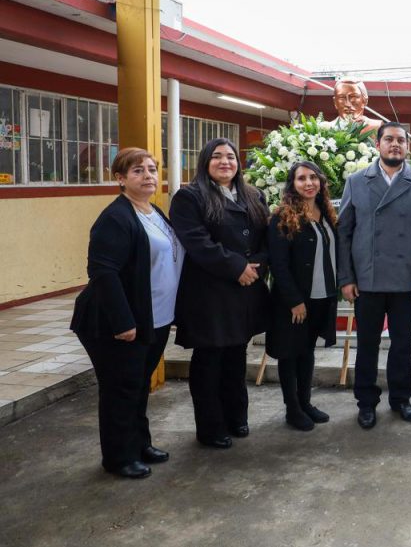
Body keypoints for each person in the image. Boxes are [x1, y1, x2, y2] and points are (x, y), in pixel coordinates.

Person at [71, 148, 183, 478]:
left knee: (137, 385)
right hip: (117, 323)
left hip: (154, 317)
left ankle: (139, 443)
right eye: (138, 171)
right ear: (120, 179)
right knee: (120, 389)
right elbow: (102, 271)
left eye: (152, 169)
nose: (148, 176)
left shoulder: (152, 211)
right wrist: (123, 322)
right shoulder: (116, 217)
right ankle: (118, 457)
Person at [337, 121, 411, 429]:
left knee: (402, 345)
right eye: (389, 139)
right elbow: (344, 233)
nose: (395, 144)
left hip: (406, 281)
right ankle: (366, 402)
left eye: (401, 140)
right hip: (367, 279)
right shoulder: (356, 181)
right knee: (367, 344)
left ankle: (401, 399)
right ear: (378, 145)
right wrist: (346, 277)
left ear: (408, 147)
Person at [170, 137, 271, 449]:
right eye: (217, 157)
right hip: (209, 294)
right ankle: (210, 426)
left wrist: (257, 266)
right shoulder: (190, 197)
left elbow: (266, 238)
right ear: (205, 161)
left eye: (230, 156)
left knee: (236, 357)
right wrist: (236, 267)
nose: (225, 162)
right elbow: (197, 241)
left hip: (244, 291)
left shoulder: (253, 194)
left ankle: (236, 416)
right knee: (209, 361)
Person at [267, 161, 341, 431]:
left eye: (313, 177)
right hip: (296, 300)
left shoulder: (326, 214)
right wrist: (294, 301)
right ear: (292, 184)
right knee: (290, 353)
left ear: (320, 182)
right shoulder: (283, 216)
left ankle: (306, 402)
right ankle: (293, 409)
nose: (308, 183)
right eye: (301, 178)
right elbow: (279, 264)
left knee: (307, 352)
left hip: (322, 296)